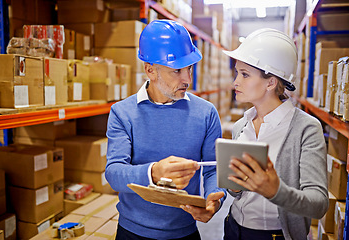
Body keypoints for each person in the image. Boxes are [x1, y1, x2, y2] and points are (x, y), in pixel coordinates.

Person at [105, 19, 226, 240]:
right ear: (150, 70)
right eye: (177, 70)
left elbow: (213, 169)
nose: (187, 79)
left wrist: (213, 199)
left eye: (189, 68)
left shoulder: (206, 113)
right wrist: (153, 173)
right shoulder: (122, 113)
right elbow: (114, 173)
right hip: (132, 232)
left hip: (185, 233)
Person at [222, 28, 328, 240]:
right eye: (237, 73)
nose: (236, 82)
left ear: (271, 82)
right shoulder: (241, 126)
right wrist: (233, 185)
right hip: (234, 230)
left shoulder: (305, 129)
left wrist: (275, 191)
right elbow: (237, 193)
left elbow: (319, 204)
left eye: (244, 74)